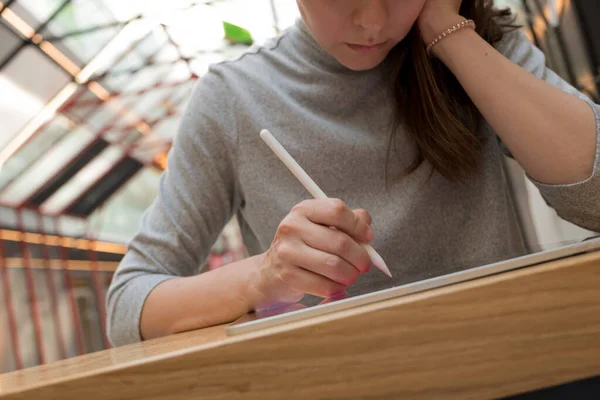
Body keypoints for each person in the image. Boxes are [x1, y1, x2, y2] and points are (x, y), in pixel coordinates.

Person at [106, 0, 600, 346]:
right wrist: (264, 276)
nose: (373, 20)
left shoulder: (478, 43)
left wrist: (446, 35)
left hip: (515, 362)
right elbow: (129, 308)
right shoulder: (233, 98)